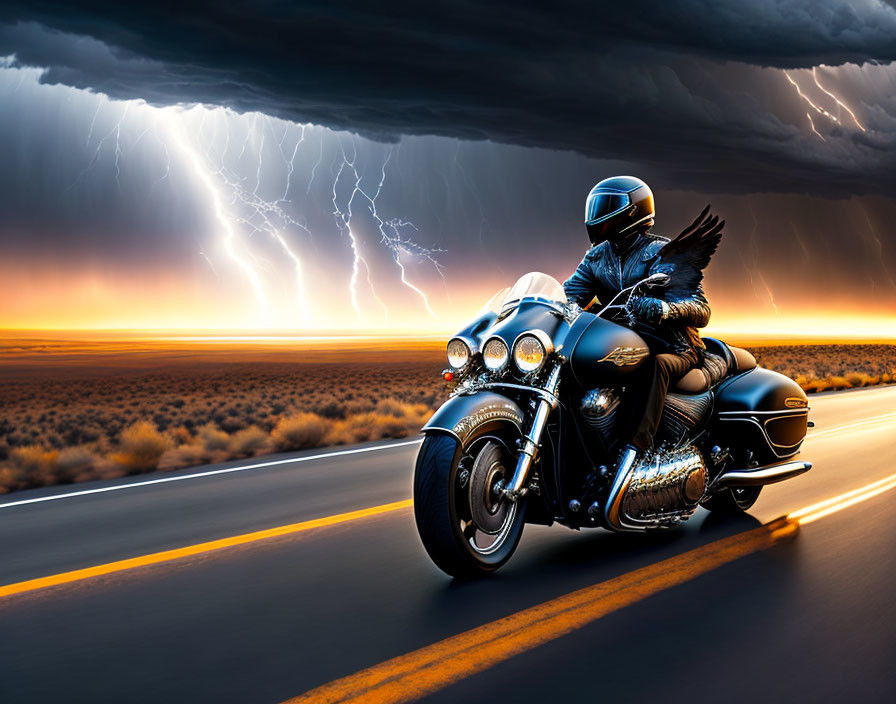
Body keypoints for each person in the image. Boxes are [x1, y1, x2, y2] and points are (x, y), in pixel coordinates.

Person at [563, 176, 723, 517]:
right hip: (621, 345)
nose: (599, 220)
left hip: (675, 347)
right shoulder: (596, 258)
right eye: (597, 212)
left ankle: (637, 450)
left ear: (631, 214)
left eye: (608, 212)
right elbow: (568, 296)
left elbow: (702, 309)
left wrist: (665, 309)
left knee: (656, 367)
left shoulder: (661, 255)